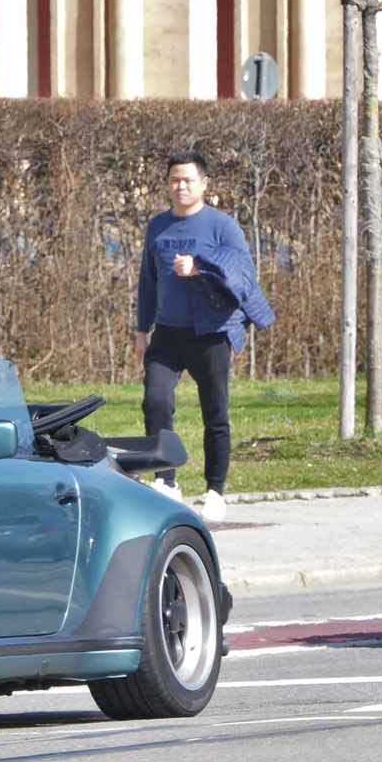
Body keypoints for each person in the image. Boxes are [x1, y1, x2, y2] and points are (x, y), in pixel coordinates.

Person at [133, 151, 276, 524]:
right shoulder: (157, 227)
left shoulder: (222, 226)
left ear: (204, 184)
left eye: (188, 180)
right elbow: (148, 283)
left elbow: (243, 275)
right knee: (155, 401)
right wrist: (140, 330)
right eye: (174, 180)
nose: (181, 186)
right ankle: (167, 481)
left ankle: (215, 491)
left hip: (212, 333)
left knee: (216, 414)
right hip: (167, 332)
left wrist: (199, 268)